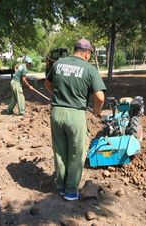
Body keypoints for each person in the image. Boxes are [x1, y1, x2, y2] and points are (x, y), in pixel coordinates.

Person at [45, 38, 106, 201]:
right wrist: (96, 111)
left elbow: (48, 84)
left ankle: (60, 186)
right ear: (86, 53)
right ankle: (71, 191)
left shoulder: (58, 64)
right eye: (90, 54)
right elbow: (100, 97)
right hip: (75, 114)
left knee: (60, 150)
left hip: (57, 112)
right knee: (76, 153)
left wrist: (59, 97)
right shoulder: (89, 69)